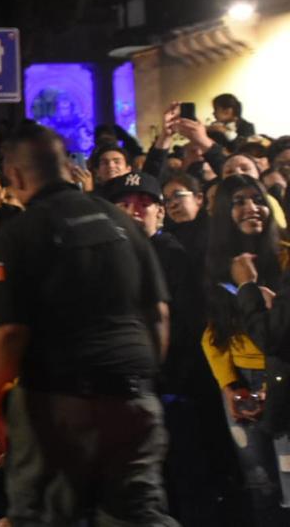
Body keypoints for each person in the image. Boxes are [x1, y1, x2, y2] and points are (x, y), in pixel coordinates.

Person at [0, 123, 176, 526]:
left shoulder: (19, 233)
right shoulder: (123, 225)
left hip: (59, 406)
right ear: (67, 166)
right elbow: (159, 316)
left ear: (13, 177)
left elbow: (8, 332)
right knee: (136, 515)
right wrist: (135, 379)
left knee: (44, 515)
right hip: (134, 403)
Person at [106, 172, 224, 524]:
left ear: (160, 211)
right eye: (125, 205)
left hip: (171, 389)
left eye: (144, 204)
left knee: (184, 482)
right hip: (126, 391)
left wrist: (169, 381)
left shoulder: (173, 256)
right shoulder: (109, 258)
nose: (134, 211)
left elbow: (187, 326)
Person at [202, 175, 290, 524]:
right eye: (239, 200)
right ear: (224, 211)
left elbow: (278, 335)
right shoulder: (214, 264)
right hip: (242, 383)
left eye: (257, 199)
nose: (251, 208)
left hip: (282, 379)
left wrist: (249, 288)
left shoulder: (285, 257)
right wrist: (230, 385)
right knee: (260, 486)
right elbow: (212, 333)